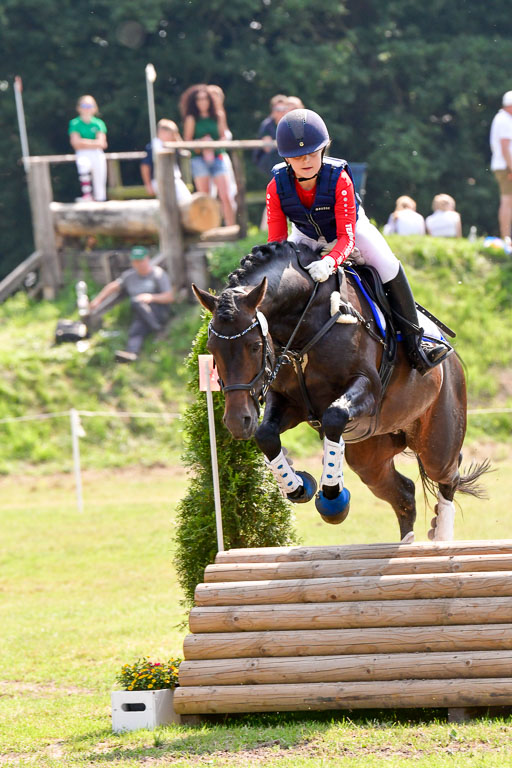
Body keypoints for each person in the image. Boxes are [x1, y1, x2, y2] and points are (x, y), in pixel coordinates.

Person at [267, 108, 450, 375]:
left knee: (388, 266)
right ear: (286, 158)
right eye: (297, 156)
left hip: (353, 230)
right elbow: (277, 241)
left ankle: (416, 341)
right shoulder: (276, 185)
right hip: (305, 235)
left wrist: (330, 262)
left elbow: (346, 237)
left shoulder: (339, 178)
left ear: (324, 149)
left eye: (313, 152)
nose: (306, 160)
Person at [88, 246, 173, 362]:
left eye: (141, 260)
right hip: (141, 314)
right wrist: (98, 300)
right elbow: (113, 286)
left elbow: (169, 297)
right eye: (136, 261)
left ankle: (158, 329)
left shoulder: (158, 274)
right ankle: (131, 353)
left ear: (147, 259)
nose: (139, 264)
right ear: (133, 262)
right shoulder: (129, 276)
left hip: (158, 311)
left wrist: (151, 297)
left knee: (136, 302)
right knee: (136, 329)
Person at [180, 84, 235, 225]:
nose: (202, 102)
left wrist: (213, 144)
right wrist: (201, 143)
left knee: (226, 195)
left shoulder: (218, 115)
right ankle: (210, 228)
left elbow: (224, 136)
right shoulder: (192, 118)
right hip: (199, 159)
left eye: (205, 99)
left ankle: (232, 227)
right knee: (205, 197)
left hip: (218, 157)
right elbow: (187, 141)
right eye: (199, 99)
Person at [140, 119, 191, 203]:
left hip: (174, 180)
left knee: (187, 200)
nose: (174, 136)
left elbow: (182, 149)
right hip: (159, 180)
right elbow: (145, 166)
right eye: (172, 134)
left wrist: (177, 139)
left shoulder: (171, 145)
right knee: (182, 201)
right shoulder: (152, 147)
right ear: (162, 132)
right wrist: (148, 184)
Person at [68, 95, 107, 202]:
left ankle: (100, 200)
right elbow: (75, 143)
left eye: (90, 105)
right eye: (84, 105)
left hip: (97, 153)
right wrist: (94, 143)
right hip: (82, 152)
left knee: (100, 178)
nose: (87, 108)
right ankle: (87, 195)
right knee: (83, 165)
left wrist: (83, 142)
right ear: (79, 108)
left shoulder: (99, 123)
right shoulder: (75, 123)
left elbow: (102, 143)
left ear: (95, 108)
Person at [489, 90, 512, 244]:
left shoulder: (501, 118)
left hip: (505, 166)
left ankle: (506, 236)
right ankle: (506, 237)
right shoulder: (505, 120)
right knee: (507, 201)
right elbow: (505, 148)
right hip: (506, 167)